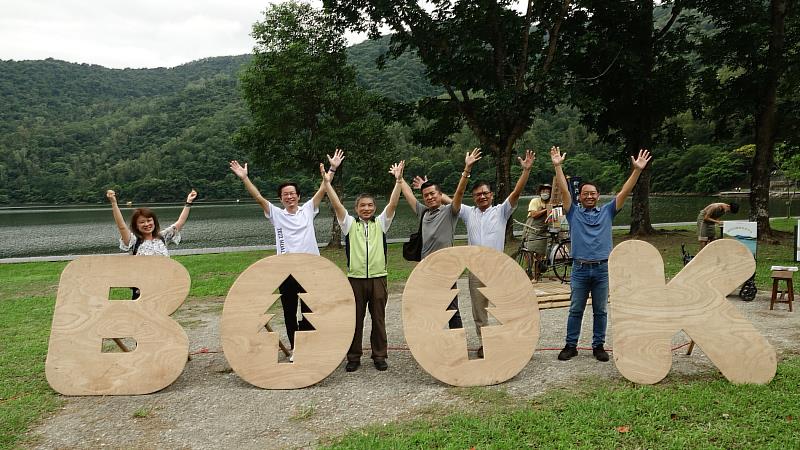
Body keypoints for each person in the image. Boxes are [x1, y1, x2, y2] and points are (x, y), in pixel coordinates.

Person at [229, 150, 343, 355]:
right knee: (289, 313)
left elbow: (323, 188)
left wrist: (332, 169)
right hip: (286, 272)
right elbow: (258, 197)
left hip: (310, 269)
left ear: (298, 196)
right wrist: (245, 178)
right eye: (285, 195)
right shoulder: (276, 214)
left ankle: (308, 347)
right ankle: (295, 349)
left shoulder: (308, 209)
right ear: (281, 199)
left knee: (310, 312)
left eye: (292, 193)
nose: (289, 197)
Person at [551, 146, 652, 362]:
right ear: (580, 196)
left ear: (598, 196)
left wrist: (636, 170)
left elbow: (624, 192)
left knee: (601, 311)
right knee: (575, 309)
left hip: (602, 269)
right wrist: (558, 166)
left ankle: (598, 346)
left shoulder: (607, 211)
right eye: (585, 193)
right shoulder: (573, 212)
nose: (589, 196)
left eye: (593, 193)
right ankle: (571, 345)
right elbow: (564, 190)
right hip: (580, 269)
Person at [323, 160, 405, 372]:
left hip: (378, 278)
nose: (366, 208)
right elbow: (336, 205)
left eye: (370, 205)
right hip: (355, 280)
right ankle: (353, 357)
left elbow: (394, 204)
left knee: (378, 320)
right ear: (356, 208)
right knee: (355, 320)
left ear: (374, 208)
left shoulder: (381, 223)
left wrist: (398, 181)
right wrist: (327, 183)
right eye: (362, 205)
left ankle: (379, 355)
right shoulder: (349, 224)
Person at [451, 149, 534, 357]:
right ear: (474, 197)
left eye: (485, 193)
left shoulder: (501, 211)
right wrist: (467, 169)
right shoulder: (468, 212)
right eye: (478, 194)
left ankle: (513, 341)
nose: (481, 197)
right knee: (479, 311)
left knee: (507, 307)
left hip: (498, 268)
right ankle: (485, 343)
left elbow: (515, 193)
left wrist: (526, 171)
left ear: (492, 195)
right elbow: (453, 198)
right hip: (476, 270)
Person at [399, 150, 482, 330]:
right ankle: (432, 345)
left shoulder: (449, 212)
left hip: (446, 268)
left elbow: (460, 192)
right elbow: (409, 196)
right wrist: (400, 179)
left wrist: (466, 169)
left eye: (432, 194)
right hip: (426, 268)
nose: (429, 197)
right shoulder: (423, 212)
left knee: (451, 309)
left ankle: (457, 344)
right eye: (426, 195)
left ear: (440, 194)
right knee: (428, 307)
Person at [107, 188, 197, 257]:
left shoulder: (162, 237)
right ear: (136, 226)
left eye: (149, 220)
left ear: (154, 221)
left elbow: (180, 222)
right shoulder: (134, 241)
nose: (147, 224)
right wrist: (114, 203)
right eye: (142, 222)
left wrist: (188, 202)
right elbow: (121, 226)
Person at [523, 183, 553, 280]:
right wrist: (546, 210)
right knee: (529, 252)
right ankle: (528, 271)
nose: (545, 193)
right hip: (532, 229)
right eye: (543, 191)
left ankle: (537, 275)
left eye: (548, 191)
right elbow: (533, 214)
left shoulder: (552, 203)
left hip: (542, 231)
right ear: (540, 192)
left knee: (540, 254)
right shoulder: (535, 201)